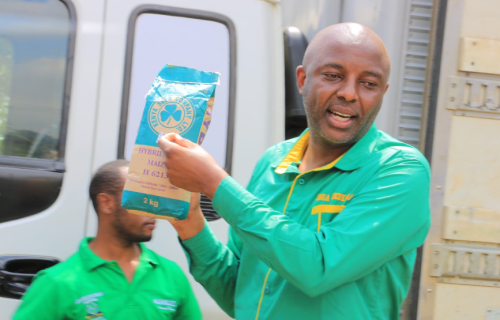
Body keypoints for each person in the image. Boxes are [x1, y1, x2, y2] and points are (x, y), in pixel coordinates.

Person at [157, 23, 431, 320]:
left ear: (382, 93)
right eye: (333, 76)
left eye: (368, 83)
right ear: (302, 79)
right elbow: (242, 295)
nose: (350, 93)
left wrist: (213, 182)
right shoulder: (273, 161)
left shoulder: (400, 170)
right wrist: (190, 222)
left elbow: (318, 268)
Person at [13, 160, 202, 320]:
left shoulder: (172, 275)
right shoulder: (57, 283)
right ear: (106, 203)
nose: (153, 209)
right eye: (142, 198)